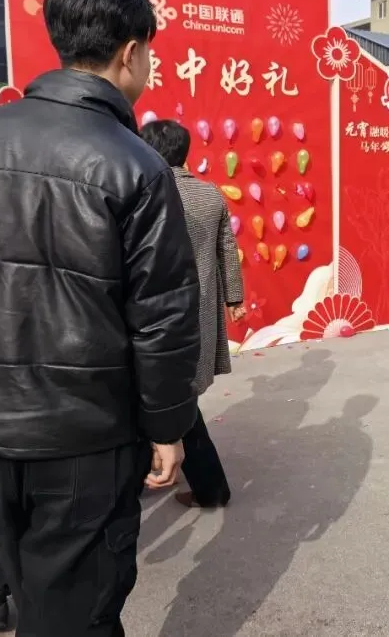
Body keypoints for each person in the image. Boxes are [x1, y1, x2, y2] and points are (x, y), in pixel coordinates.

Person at [0, 0, 201, 637]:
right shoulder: (134, 164)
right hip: (83, 435)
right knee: (76, 611)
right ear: (130, 53)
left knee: (30, 587)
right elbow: (163, 317)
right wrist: (167, 426)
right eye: (149, 55)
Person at [140, 119, 245, 509]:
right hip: (198, 312)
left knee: (170, 401)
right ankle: (195, 480)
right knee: (177, 397)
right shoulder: (209, 194)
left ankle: (210, 486)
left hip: (152, 316)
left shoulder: (144, 192)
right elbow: (227, 251)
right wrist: (234, 299)